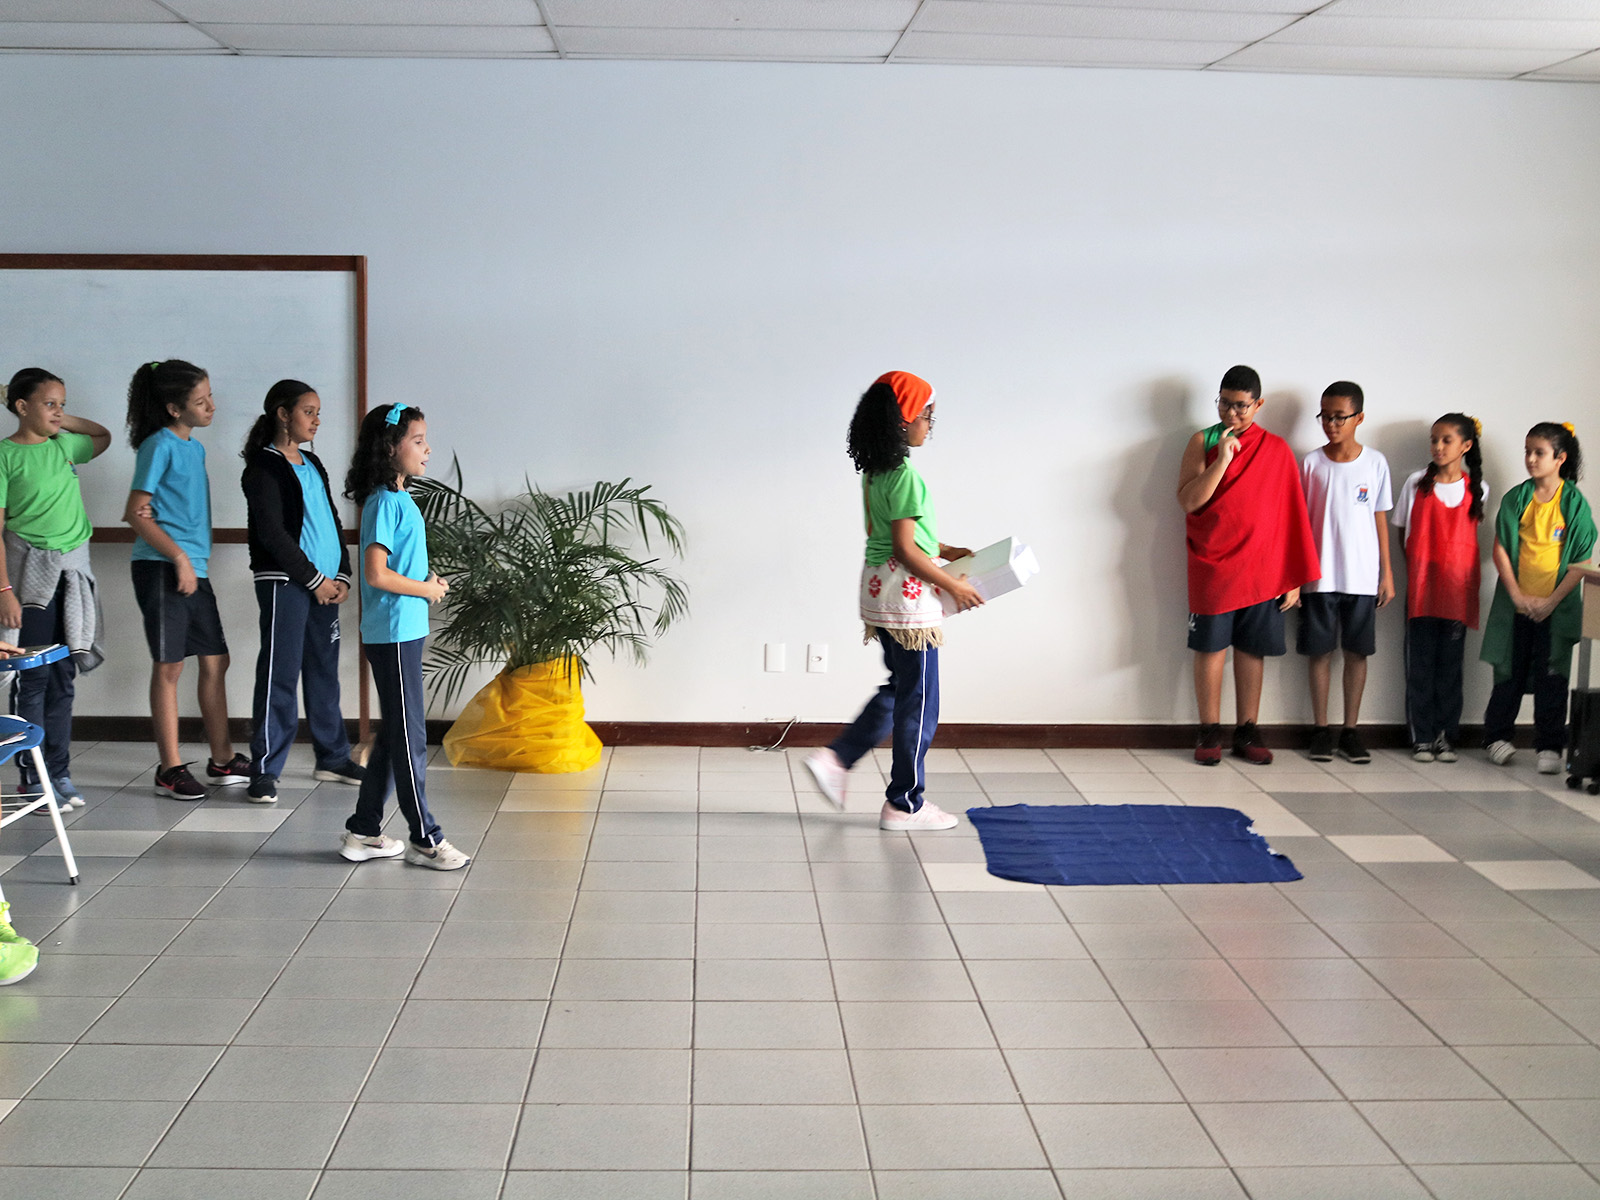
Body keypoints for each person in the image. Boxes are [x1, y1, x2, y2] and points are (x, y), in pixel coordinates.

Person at [804, 371, 983, 831]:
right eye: (928, 416)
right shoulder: (906, 477)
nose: (929, 426)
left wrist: (946, 549)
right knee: (920, 702)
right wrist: (954, 585)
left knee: (903, 688)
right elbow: (905, 549)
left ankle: (837, 758)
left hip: (878, 589)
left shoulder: (876, 472)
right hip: (908, 598)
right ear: (904, 420)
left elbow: (895, 535)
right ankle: (905, 804)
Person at [339, 403, 467, 869]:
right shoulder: (383, 502)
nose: (427, 449)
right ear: (390, 447)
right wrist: (426, 590)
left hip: (404, 632)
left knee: (396, 734)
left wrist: (425, 581)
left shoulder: (399, 498)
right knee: (410, 736)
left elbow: (397, 567)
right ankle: (425, 839)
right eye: (417, 440)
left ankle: (363, 830)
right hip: (393, 634)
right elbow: (376, 574)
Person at [1178, 364, 1319, 766]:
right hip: (1213, 565)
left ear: (1258, 405)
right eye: (1224, 403)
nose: (1231, 413)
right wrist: (1222, 459)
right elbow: (1189, 500)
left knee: (1251, 650)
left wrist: (1292, 577)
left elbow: (1291, 516)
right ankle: (1209, 730)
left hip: (1262, 568)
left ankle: (1247, 730)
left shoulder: (1276, 449)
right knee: (1210, 648)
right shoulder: (1202, 440)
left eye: (1241, 406)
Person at [122, 359, 250, 800]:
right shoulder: (158, 445)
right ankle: (169, 769)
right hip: (162, 567)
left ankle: (222, 759)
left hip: (194, 568)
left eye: (209, 396)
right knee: (170, 666)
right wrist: (177, 557)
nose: (211, 406)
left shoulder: (193, 448)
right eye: (201, 401)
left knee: (216, 661)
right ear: (174, 408)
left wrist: (189, 561)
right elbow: (135, 512)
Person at [240, 380, 365, 803]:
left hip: (326, 585)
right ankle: (264, 769)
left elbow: (329, 520)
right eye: (308, 412)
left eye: (318, 413)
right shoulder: (263, 466)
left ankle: (333, 757)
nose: (316, 420)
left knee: (324, 672)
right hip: (286, 584)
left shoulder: (313, 463)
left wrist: (342, 574)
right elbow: (272, 533)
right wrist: (313, 579)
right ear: (282, 414)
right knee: (279, 674)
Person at [0, 369, 111, 807]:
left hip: (71, 575)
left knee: (64, 675)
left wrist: (62, 420)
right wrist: (4, 591)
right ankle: (33, 775)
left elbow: (101, 437)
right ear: (21, 406)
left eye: (62, 404)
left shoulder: (64, 445)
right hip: (29, 581)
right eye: (49, 403)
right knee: (34, 676)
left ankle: (59, 773)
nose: (59, 412)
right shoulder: (5, 454)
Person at [1482, 422, 1595, 773]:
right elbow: (1501, 549)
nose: (1530, 459)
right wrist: (1518, 596)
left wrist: (1550, 602)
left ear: (1560, 458)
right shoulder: (1517, 499)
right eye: (1527, 451)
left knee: (1553, 675)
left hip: (1555, 610)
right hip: (1515, 607)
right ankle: (1497, 737)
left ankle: (1549, 745)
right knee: (1509, 673)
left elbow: (1582, 562)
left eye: (1539, 452)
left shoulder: (1574, 504)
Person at [1298, 382, 1394, 764]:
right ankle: (1321, 730)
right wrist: (1296, 576)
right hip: (1319, 577)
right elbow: (1300, 522)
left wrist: (1386, 573)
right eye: (1325, 416)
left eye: (1340, 417)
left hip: (1362, 577)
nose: (1332, 424)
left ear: (1359, 417)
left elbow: (1380, 518)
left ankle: (1350, 731)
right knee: (1319, 653)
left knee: (1357, 653)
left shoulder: (1375, 463)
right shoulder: (1311, 463)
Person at [1392, 413, 1488, 763]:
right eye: (1434, 439)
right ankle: (1421, 737)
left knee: (1450, 668)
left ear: (1466, 446)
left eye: (1447, 440)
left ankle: (1446, 736)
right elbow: (1403, 533)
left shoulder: (1478, 489)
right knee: (1419, 667)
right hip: (1422, 593)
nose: (1438, 446)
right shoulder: (1416, 483)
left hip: (1458, 595)